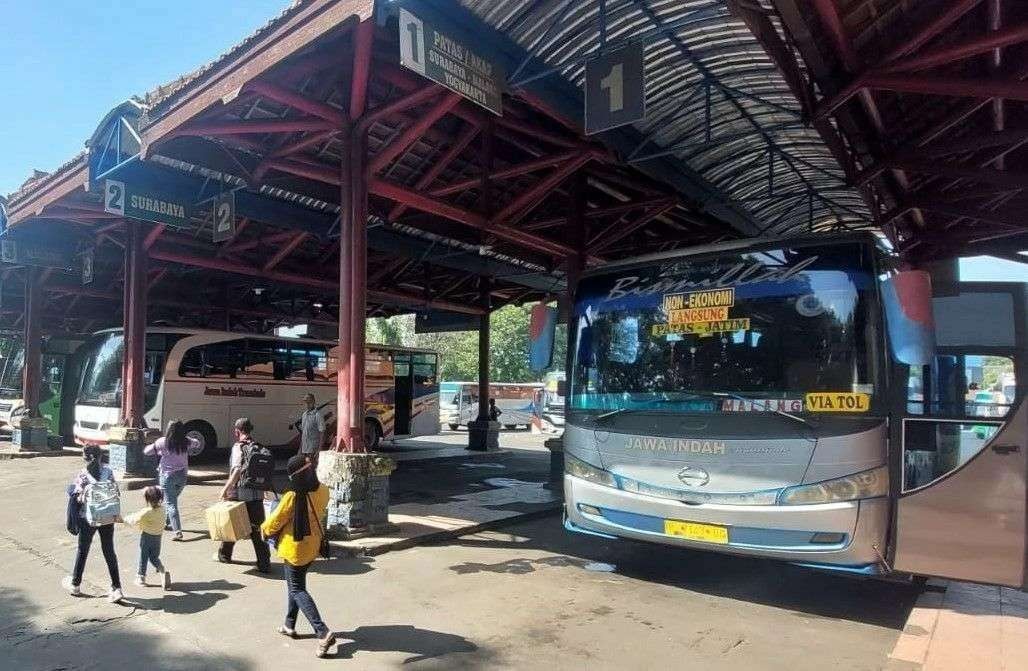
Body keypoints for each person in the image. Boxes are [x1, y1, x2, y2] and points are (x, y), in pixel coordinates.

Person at [261, 455, 335, 658]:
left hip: (294, 549)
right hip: (313, 546)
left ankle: (322, 631)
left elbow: (275, 521)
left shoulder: (292, 496)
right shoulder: (323, 490)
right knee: (294, 585)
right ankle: (289, 624)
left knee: (297, 589)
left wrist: (264, 530)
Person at [62, 446, 123, 602]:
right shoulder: (108, 472)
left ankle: (75, 584)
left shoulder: (83, 474)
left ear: (86, 457)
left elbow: (77, 496)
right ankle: (116, 588)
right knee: (109, 551)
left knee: (83, 551)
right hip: (107, 518)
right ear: (101, 456)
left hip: (87, 518)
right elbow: (117, 492)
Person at [216, 417, 271, 573]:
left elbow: (237, 470)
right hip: (257, 494)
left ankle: (225, 555)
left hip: (240, 494)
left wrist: (225, 488)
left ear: (237, 431)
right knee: (258, 530)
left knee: (231, 524)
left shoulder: (238, 447)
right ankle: (264, 563)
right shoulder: (258, 447)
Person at [144, 419, 196, 541]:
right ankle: (167, 521)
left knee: (171, 503)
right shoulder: (186, 442)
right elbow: (197, 443)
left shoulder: (163, 442)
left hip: (167, 477)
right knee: (171, 500)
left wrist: (154, 445)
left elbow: (147, 452)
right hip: (182, 476)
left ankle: (177, 531)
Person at [121, 486, 172, 590]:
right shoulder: (163, 509)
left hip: (147, 537)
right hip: (158, 536)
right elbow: (157, 490)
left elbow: (133, 519)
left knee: (143, 556)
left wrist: (122, 520)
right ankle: (162, 570)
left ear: (148, 499)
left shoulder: (147, 512)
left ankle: (141, 577)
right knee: (154, 557)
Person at [298, 393, 326, 462]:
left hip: (313, 449)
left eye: (309, 402)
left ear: (313, 402)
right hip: (304, 449)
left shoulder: (317, 415)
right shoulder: (304, 415)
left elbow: (322, 432)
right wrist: (300, 449)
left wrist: (319, 449)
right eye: (305, 402)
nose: (307, 404)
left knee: (312, 469)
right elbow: (304, 433)